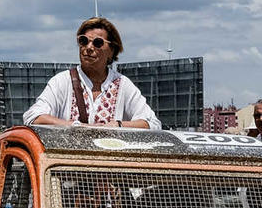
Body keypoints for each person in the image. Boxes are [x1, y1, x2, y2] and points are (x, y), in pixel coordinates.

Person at [22, 17, 160, 129]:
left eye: (98, 43)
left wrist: (119, 125)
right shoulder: (62, 81)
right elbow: (33, 116)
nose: (88, 47)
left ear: (112, 50)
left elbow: (152, 123)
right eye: (83, 41)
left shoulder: (122, 84)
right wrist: (74, 126)